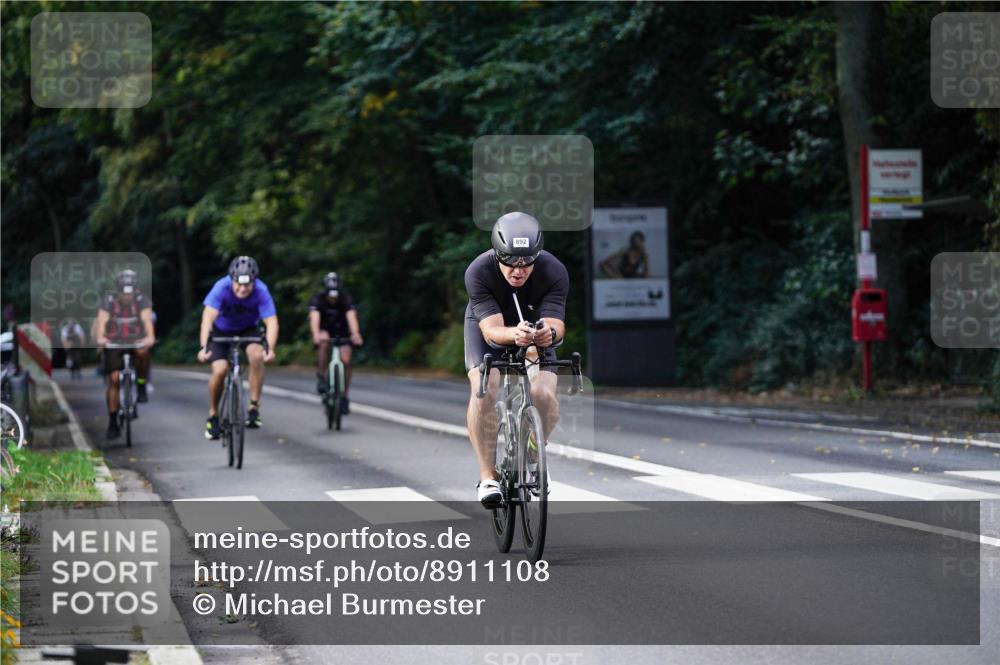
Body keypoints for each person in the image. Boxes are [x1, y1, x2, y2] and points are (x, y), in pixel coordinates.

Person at [463, 212, 568, 507]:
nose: (518, 270)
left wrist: (548, 333)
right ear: (497, 254)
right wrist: (513, 335)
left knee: (543, 394)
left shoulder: (553, 270)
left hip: (534, 329)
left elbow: (556, 324)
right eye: (510, 261)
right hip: (489, 326)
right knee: (484, 388)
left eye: (527, 262)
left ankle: (534, 454)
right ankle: (488, 477)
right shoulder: (478, 271)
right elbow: (492, 331)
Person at [196, 256, 278, 439]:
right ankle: (213, 415)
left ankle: (254, 407)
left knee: (257, 355)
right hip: (221, 330)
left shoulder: (261, 290)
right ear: (232, 280)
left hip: (248, 329)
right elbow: (207, 319)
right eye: (238, 285)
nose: (242, 289)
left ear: (254, 282)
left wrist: (270, 348)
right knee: (220, 370)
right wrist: (203, 347)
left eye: (247, 285)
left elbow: (271, 322)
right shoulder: (221, 287)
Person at [94, 270, 156, 439]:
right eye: (124, 292)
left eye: (130, 292)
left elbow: (146, 320)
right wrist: (100, 338)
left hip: (136, 338)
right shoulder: (108, 301)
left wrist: (150, 337)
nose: (127, 296)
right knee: (113, 378)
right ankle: (113, 421)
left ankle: (141, 385)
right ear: (118, 291)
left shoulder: (141, 300)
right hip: (114, 340)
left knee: (143, 353)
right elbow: (101, 321)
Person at [308, 272, 363, 413]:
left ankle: (344, 395)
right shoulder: (318, 299)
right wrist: (316, 334)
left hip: (342, 332)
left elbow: (352, 317)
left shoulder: (345, 298)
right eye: (330, 295)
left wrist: (355, 334)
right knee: (323, 343)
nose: (333, 298)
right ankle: (321, 376)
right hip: (325, 331)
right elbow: (315, 319)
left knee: (346, 359)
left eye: (335, 295)